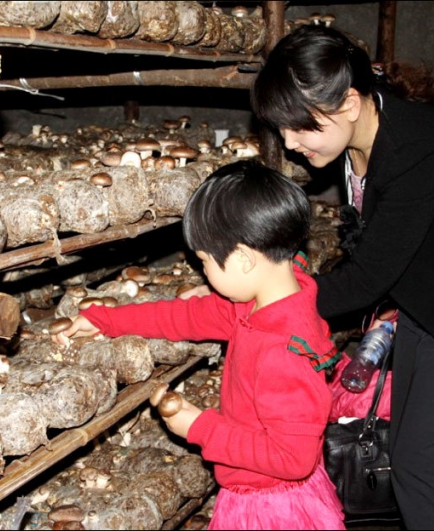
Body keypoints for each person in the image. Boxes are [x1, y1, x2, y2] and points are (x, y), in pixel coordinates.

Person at [251, 24, 434, 530]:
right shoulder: (358, 129)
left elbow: (366, 278)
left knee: (424, 470)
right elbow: (379, 240)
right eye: (281, 128)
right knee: (408, 452)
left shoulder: (415, 149)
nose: (289, 143)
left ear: (349, 104)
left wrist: (265, 299)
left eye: (300, 127)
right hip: (429, 285)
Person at [53, 160, 346, 530]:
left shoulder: (283, 351)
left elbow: (293, 458)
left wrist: (201, 428)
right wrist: (106, 320)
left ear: (243, 259)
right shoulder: (263, 303)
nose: (202, 273)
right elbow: (186, 317)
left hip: (271, 508)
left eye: (205, 262)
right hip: (261, 490)